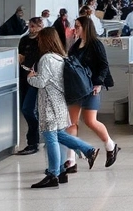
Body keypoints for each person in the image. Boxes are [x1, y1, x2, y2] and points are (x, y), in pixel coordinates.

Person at [27, 28, 100, 189]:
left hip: (49, 105)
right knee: (59, 135)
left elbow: (42, 82)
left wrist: (30, 77)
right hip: (60, 103)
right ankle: (84, 153)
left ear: (45, 40)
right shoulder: (60, 57)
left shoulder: (46, 59)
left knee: (51, 138)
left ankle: (53, 174)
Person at [65, 16, 120, 171]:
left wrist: (99, 83)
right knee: (72, 122)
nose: (75, 29)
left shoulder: (95, 44)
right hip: (76, 88)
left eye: (78, 26)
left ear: (86, 27)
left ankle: (110, 145)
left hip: (91, 87)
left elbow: (104, 65)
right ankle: (71, 160)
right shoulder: (75, 46)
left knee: (90, 121)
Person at [15, 17, 44, 156]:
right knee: (25, 108)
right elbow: (20, 55)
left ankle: (33, 141)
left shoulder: (44, 40)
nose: (31, 29)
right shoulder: (24, 40)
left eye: (34, 26)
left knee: (29, 109)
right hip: (24, 76)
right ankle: (36, 137)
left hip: (37, 78)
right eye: (30, 26)